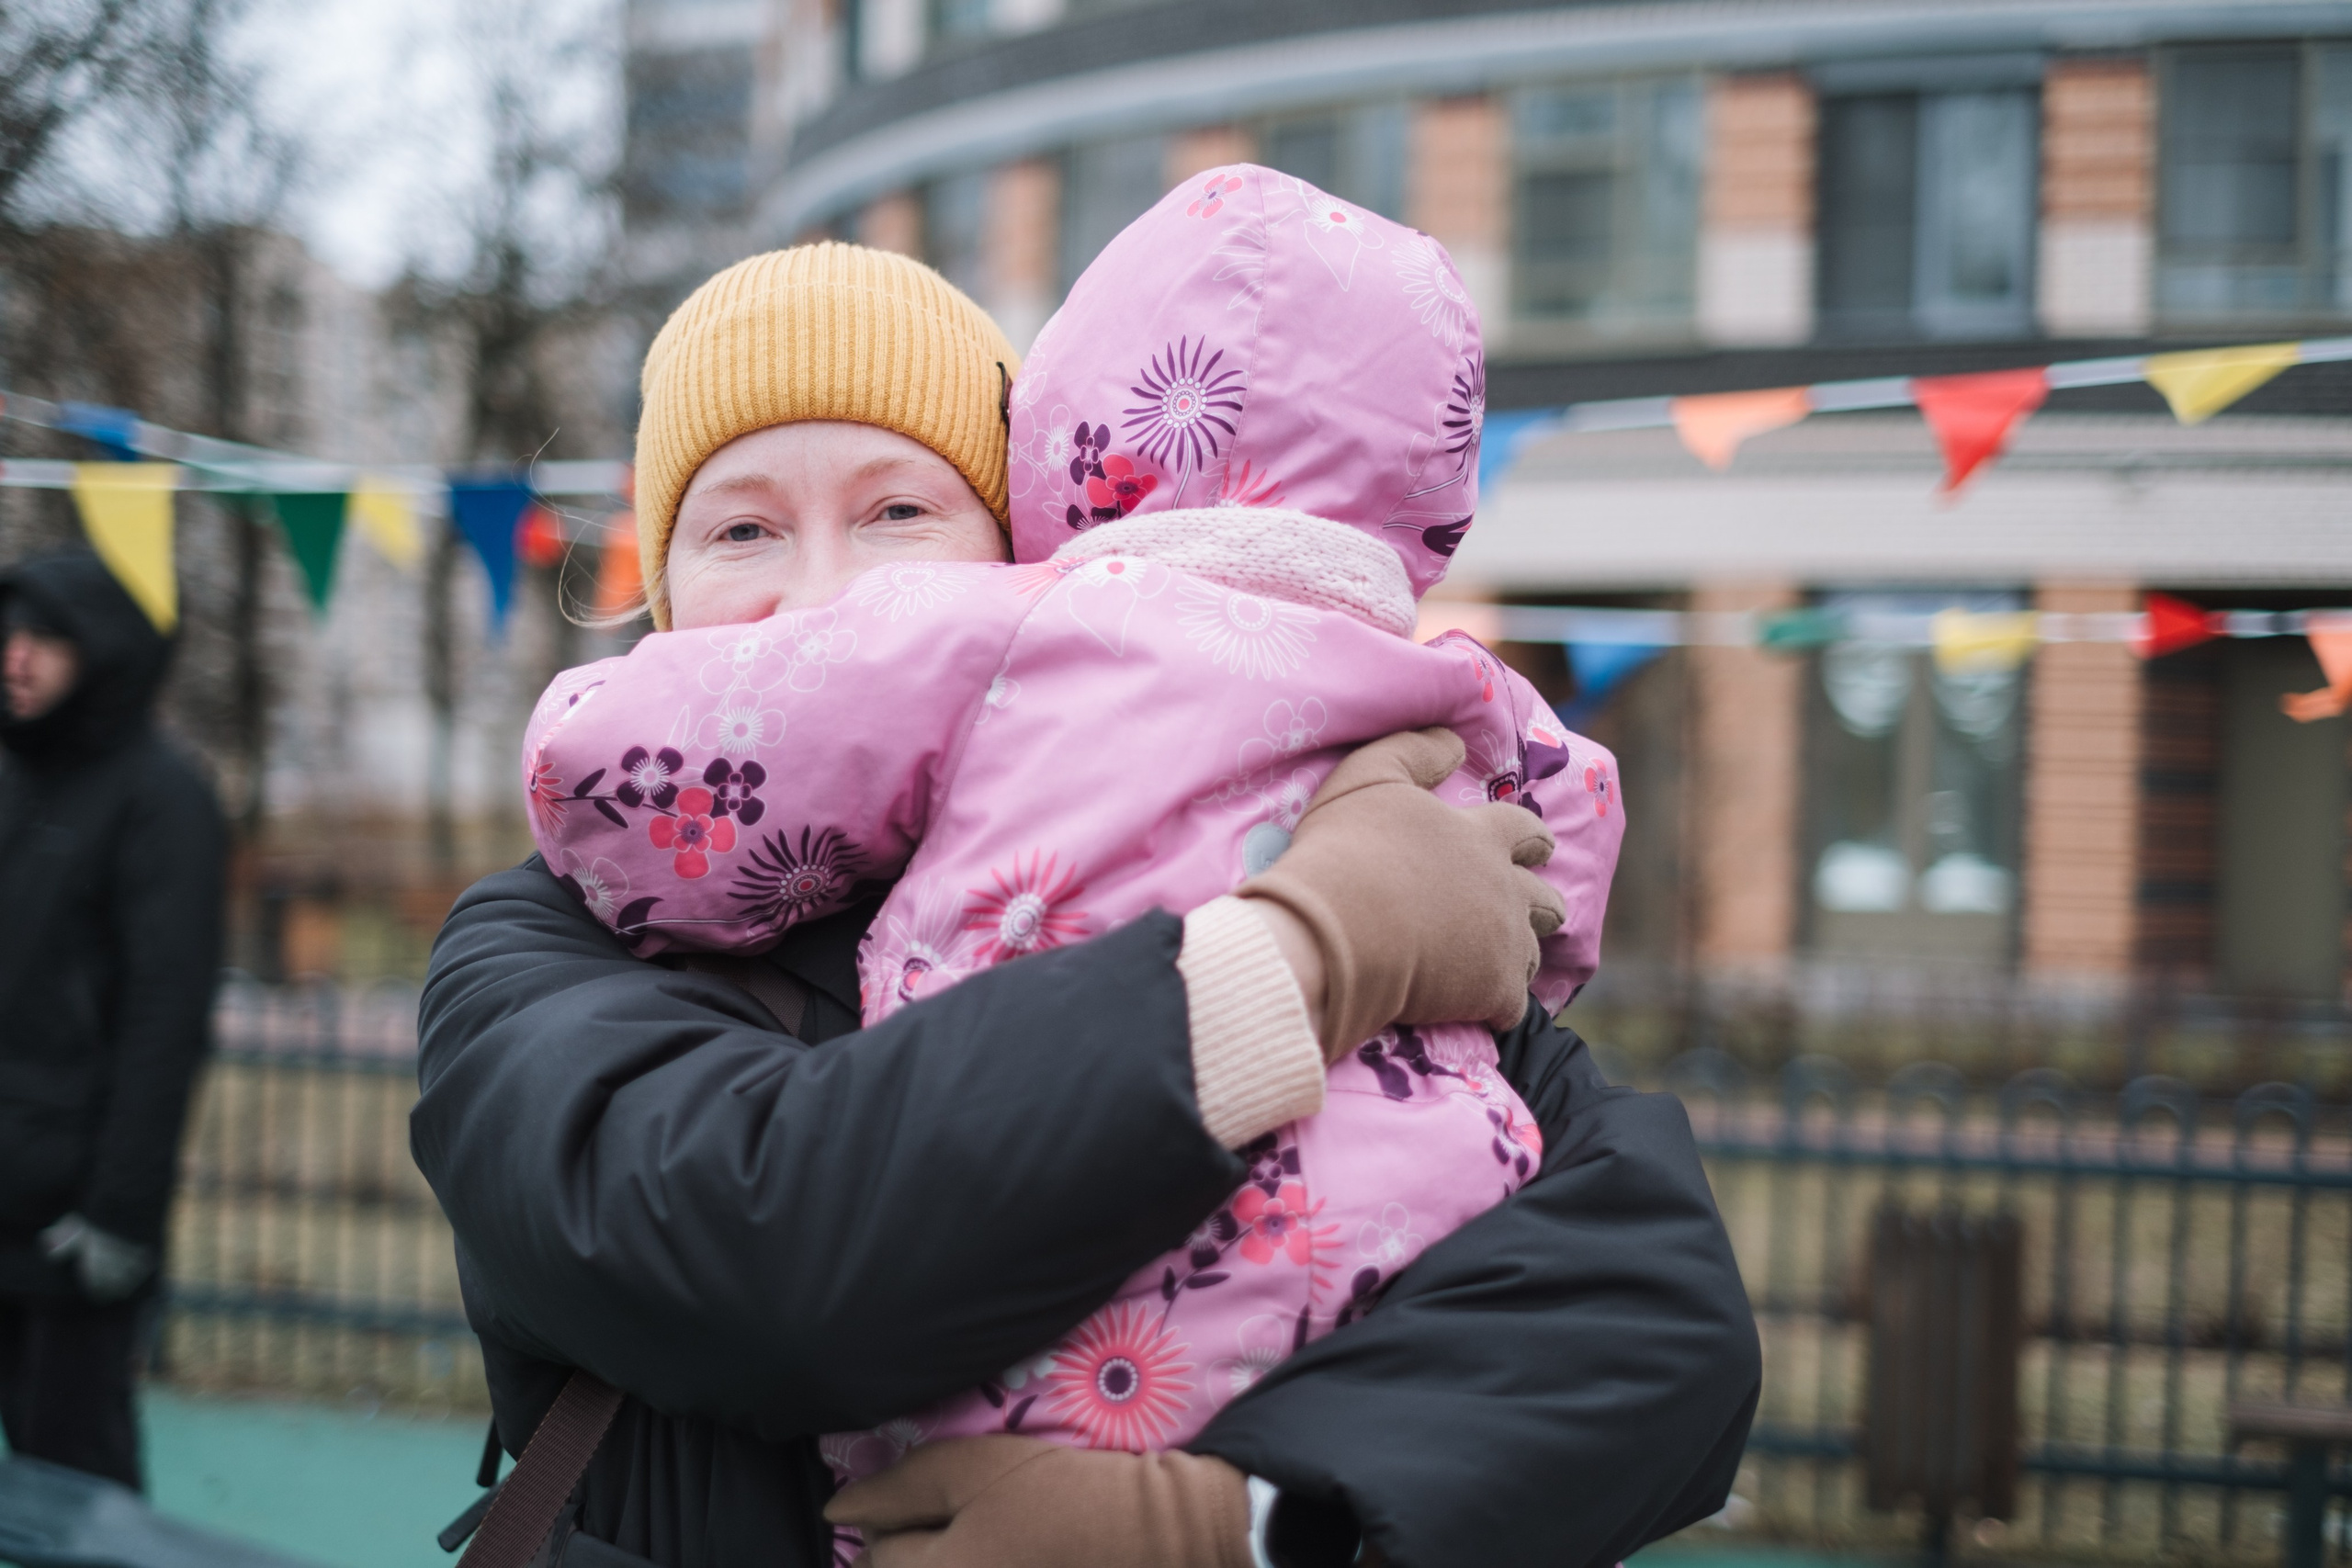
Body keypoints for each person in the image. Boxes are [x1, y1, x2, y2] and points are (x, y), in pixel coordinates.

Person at [415, 237, 1758, 1568]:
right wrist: (1298, 954)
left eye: (900, 512)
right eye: (742, 527)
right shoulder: (547, 945)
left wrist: (1246, 1521)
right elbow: (757, 1254)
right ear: (658, 590)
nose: (825, 587)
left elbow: (1658, 1322)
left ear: (1027, 559)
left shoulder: (1339, 840)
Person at [0, 551, 226, 1490]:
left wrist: (119, 1216)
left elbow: (163, 1024)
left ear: (102, 652)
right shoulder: (11, 778)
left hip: (68, 1217)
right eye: (7, 636)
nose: (17, 659)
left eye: (46, 638)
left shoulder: (163, 800)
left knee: (74, 1481)